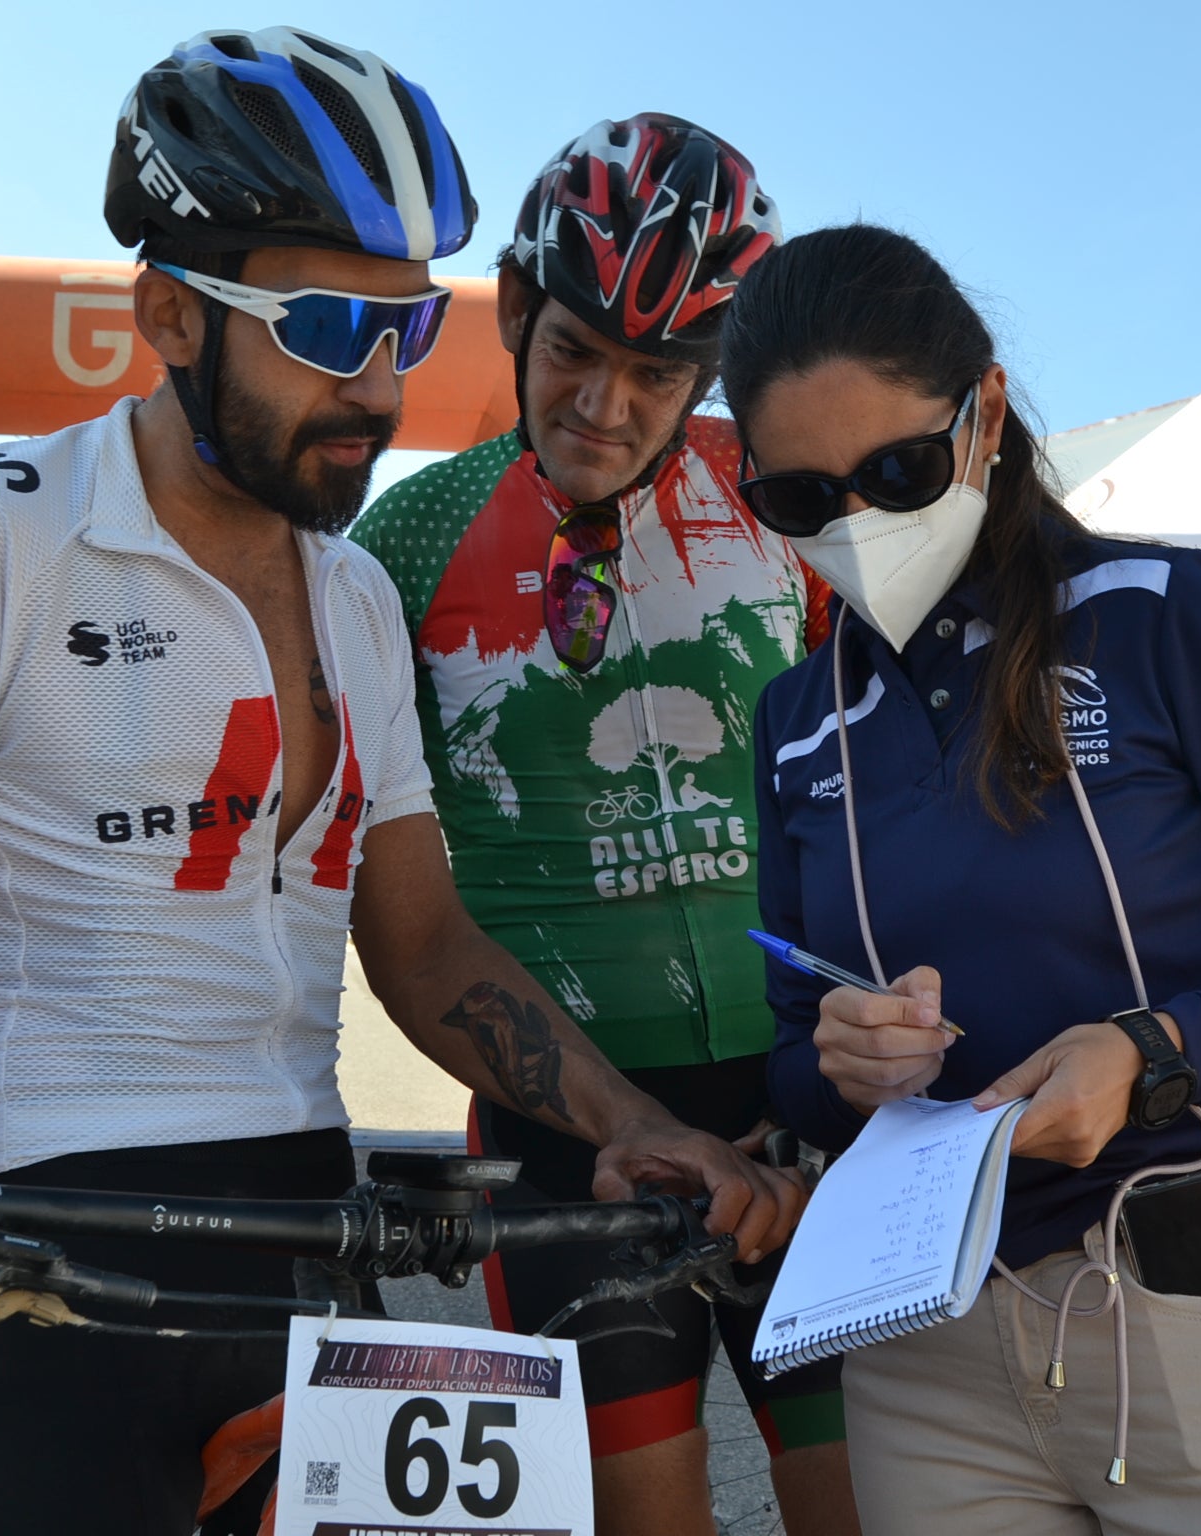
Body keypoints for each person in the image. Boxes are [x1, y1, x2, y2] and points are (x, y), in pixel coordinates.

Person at [0, 32, 799, 1536]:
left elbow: (424, 945)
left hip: (305, 1235)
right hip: (24, 1251)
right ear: (168, 310)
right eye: (325, 325)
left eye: (408, 332)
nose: (372, 384)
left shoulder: (356, 595)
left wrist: (630, 1121)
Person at [722, 224, 1201, 1536]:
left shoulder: (1156, 614)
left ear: (985, 412)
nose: (858, 522)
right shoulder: (793, 719)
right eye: (800, 499)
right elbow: (790, 1060)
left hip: (1200, 1307)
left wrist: (1157, 1052)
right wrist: (840, 1061)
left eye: (898, 468)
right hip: (922, 1348)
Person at [351, 116, 853, 1536]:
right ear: (513, 311)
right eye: (575, 349)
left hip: (798, 1111)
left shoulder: (778, 510)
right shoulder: (410, 535)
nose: (608, 406)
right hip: (569, 1121)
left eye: (659, 373)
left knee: (864, 1505)